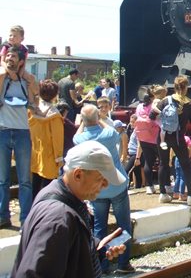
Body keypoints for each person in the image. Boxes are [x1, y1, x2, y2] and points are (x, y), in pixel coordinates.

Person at [12, 141, 128, 278]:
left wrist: (96, 247)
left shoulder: (60, 195)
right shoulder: (57, 219)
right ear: (78, 175)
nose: (105, 184)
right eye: (100, 179)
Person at [74, 105, 134, 274]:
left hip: (96, 189)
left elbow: (76, 136)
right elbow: (112, 129)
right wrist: (99, 118)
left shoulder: (81, 140)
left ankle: (102, 264)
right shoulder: (108, 134)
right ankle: (123, 263)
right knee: (123, 226)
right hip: (116, 186)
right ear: (97, 118)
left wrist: (83, 123)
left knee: (99, 228)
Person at [0, 45, 33, 228]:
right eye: (7, 56)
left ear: (20, 61)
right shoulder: (1, 78)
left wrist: (22, 76)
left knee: (25, 180)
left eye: (13, 56)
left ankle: (25, 219)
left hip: (22, 132)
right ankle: (2, 216)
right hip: (2, 131)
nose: (9, 58)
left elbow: (34, 96)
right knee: (2, 179)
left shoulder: (26, 81)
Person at [156, 76, 191, 205]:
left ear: (174, 87)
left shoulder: (165, 100)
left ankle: (163, 194)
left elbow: (152, 115)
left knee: (163, 165)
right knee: (186, 166)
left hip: (163, 136)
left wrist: (164, 124)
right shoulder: (189, 103)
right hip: (178, 139)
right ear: (186, 87)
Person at [29, 79, 64, 199]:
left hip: (34, 152)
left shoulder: (32, 111)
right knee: (47, 189)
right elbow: (57, 139)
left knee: (35, 184)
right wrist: (59, 158)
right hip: (49, 155)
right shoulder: (55, 116)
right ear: (55, 95)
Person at [0, 25, 38, 107]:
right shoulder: (6, 46)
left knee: (30, 78)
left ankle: (31, 101)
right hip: (5, 66)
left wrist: (19, 76)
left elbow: (23, 64)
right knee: (2, 74)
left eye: (14, 36)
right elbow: (2, 61)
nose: (11, 37)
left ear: (22, 38)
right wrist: (11, 73)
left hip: (18, 68)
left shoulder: (24, 50)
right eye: (10, 35)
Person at [134, 89, 160, 196]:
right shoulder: (153, 106)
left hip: (143, 138)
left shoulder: (139, 107)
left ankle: (149, 187)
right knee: (164, 161)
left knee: (148, 163)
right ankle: (165, 185)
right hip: (155, 137)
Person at [122, 114, 144, 189]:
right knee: (136, 172)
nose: (131, 123)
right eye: (130, 122)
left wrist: (138, 158)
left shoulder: (138, 131)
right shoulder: (134, 130)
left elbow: (139, 145)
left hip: (135, 154)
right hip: (132, 153)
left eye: (132, 122)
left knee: (126, 170)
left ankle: (124, 186)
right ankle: (138, 186)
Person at [172, 135, 191, 201]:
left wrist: (170, 159)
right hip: (184, 158)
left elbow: (172, 150)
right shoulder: (186, 138)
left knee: (177, 177)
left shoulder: (175, 138)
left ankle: (175, 193)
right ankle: (181, 195)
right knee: (183, 177)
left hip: (177, 159)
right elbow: (190, 149)